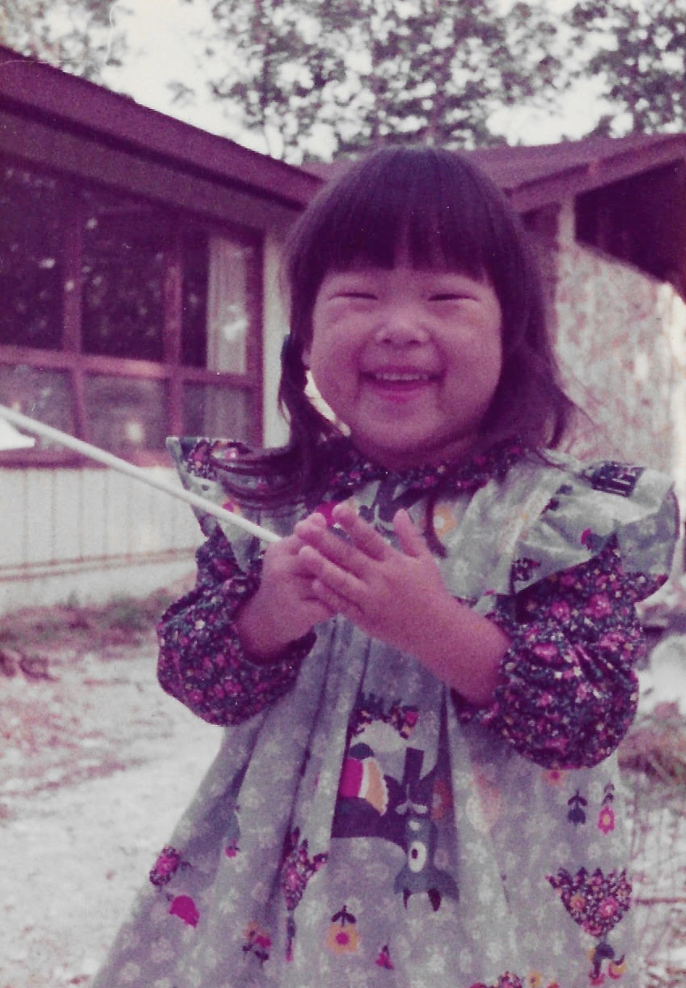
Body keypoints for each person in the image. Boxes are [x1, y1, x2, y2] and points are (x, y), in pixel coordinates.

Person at [92, 146, 677, 988]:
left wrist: (439, 630)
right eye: (359, 296)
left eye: (446, 296)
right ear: (306, 338)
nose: (400, 325)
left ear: (512, 334)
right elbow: (196, 677)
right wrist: (269, 613)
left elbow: (588, 717)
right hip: (280, 903)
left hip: (494, 911)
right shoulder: (275, 505)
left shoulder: (563, 521)